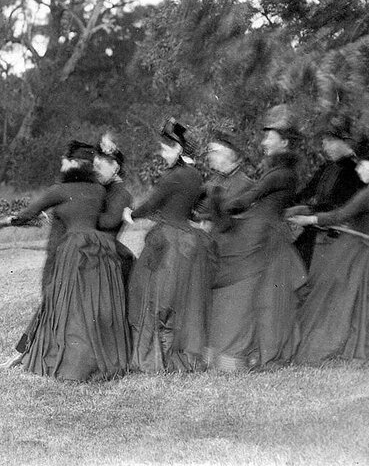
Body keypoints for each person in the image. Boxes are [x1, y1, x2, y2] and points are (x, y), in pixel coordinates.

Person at [0, 140, 129, 381]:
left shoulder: (59, 190)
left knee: (59, 301)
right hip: (98, 250)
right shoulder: (98, 190)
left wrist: (4, 222)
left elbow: (26, 214)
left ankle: (47, 355)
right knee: (87, 308)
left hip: (72, 251)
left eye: (66, 161)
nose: (62, 164)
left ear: (74, 164)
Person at [288, 138, 369, 366]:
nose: (358, 168)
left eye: (362, 164)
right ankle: (352, 340)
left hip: (359, 253)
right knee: (355, 303)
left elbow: (340, 215)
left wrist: (308, 218)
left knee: (337, 299)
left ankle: (342, 343)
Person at [214, 105, 306, 370]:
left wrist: (221, 203)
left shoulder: (281, 173)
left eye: (270, 138)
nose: (264, 142)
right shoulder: (279, 171)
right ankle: (259, 350)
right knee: (262, 296)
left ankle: (267, 352)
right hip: (263, 234)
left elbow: (248, 199)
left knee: (268, 298)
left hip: (266, 238)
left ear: (285, 143)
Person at [123, 117, 214, 373]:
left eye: (166, 148)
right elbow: (196, 206)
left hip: (169, 240)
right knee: (181, 299)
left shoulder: (173, 176)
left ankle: (157, 357)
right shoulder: (197, 175)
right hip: (189, 239)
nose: (162, 153)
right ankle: (180, 355)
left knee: (154, 296)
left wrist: (131, 215)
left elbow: (152, 204)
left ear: (178, 149)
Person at [194, 130, 257, 372]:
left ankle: (232, 358)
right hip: (216, 251)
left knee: (232, 307)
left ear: (231, 155)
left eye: (214, 151)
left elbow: (231, 220)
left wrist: (207, 218)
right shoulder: (214, 181)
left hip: (235, 256)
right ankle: (213, 355)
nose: (209, 156)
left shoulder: (245, 184)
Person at [289, 115, 363, 271]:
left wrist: (306, 211)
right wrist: (288, 203)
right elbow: (307, 191)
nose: (325, 146)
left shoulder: (354, 171)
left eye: (330, 141)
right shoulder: (328, 166)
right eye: (324, 142)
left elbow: (339, 206)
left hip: (338, 231)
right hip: (319, 224)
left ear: (345, 142)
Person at [94, 133, 135, 286]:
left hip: (109, 256)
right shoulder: (101, 189)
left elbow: (110, 221)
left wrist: (83, 215)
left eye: (100, 167)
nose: (95, 171)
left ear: (116, 167)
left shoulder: (123, 194)